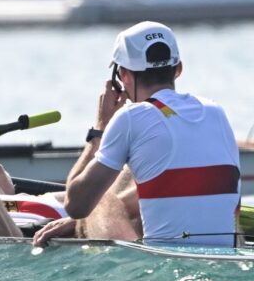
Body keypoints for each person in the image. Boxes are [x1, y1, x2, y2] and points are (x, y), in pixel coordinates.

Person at [35, 22, 240, 248]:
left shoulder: (131, 118)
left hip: (164, 268)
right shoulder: (216, 112)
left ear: (123, 76)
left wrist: (99, 130)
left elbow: (76, 206)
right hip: (224, 259)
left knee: (101, 200)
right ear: (178, 69)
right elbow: (175, 184)